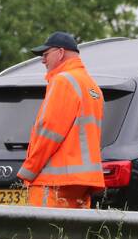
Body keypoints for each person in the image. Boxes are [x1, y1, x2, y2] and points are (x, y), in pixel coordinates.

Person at [17, 31, 105, 210]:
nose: (43, 60)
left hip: (53, 183)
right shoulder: (92, 86)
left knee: (41, 236)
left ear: (60, 53)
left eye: (46, 54)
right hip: (81, 184)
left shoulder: (63, 81)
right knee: (71, 237)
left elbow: (50, 131)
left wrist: (28, 171)